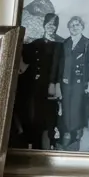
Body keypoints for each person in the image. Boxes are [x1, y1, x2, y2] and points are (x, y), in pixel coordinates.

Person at [53, 15, 89, 152]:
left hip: (80, 83)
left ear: (82, 27)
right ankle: (67, 137)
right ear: (68, 27)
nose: (74, 27)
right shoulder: (65, 43)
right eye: (72, 25)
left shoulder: (87, 43)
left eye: (77, 25)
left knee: (77, 110)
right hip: (66, 83)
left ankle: (75, 138)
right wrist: (57, 82)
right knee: (65, 110)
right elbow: (61, 64)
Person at [17, 13, 61, 149]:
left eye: (54, 25)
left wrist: (53, 84)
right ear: (44, 25)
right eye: (48, 24)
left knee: (48, 116)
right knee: (33, 115)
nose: (51, 27)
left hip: (49, 86)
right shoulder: (35, 44)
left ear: (56, 27)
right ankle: (33, 142)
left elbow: (57, 66)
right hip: (34, 86)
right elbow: (23, 58)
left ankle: (49, 144)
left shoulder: (59, 45)